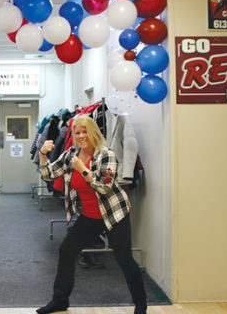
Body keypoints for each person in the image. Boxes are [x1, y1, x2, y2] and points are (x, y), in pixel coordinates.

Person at [36, 116, 147, 314]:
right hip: (90, 215)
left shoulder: (106, 155)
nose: (80, 136)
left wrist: (83, 169)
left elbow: (104, 187)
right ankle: (60, 300)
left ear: (93, 133)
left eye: (84, 132)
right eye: (77, 133)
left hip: (114, 213)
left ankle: (140, 305)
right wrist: (43, 155)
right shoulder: (71, 154)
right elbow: (49, 175)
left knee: (124, 259)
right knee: (66, 250)